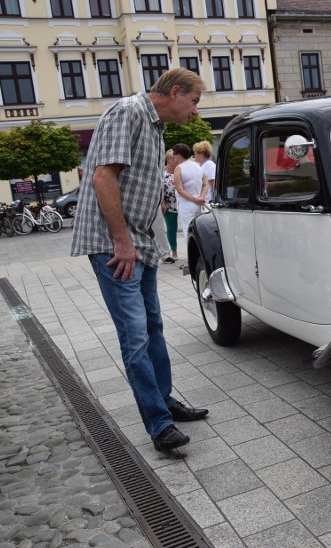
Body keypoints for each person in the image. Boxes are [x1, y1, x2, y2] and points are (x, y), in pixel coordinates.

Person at [70, 68, 209, 454]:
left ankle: (163, 401)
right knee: (135, 335)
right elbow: (102, 178)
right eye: (195, 100)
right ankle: (159, 425)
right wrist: (122, 242)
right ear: (175, 91)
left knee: (152, 326)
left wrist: (141, 241)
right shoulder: (128, 112)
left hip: (139, 242)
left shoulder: (155, 124)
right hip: (117, 246)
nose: (196, 110)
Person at [171, 142, 207, 244]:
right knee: (199, 231)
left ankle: (191, 257)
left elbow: (179, 189)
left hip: (186, 204)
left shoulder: (179, 168)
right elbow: (205, 183)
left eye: (174, 154)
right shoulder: (198, 166)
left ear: (179, 154)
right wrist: (201, 196)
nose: (173, 157)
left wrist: (194, 199)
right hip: (199, 203)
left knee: (187, 231)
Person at [161, 149, 179, 262]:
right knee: (172, 228)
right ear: (168, 159)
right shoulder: (162, 172)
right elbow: (158, 188)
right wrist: (162, 202)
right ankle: (174, 250)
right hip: (169, 204)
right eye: (173, 158)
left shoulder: (180, 170)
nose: (175, 159)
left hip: (182, 203)